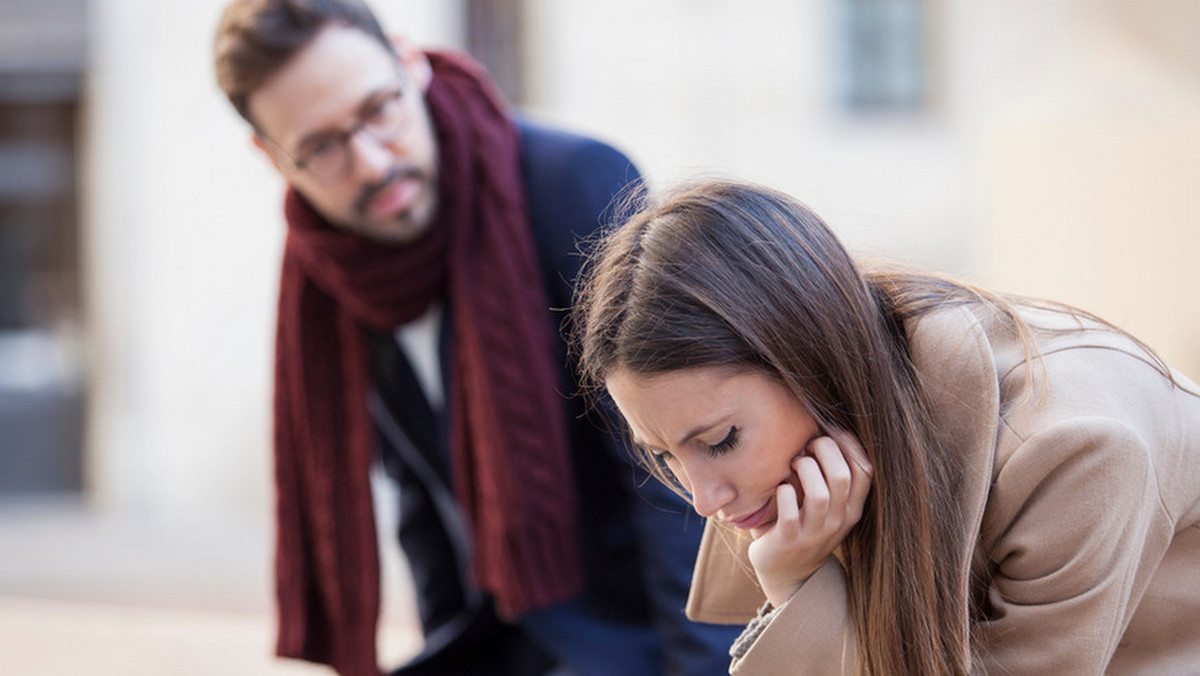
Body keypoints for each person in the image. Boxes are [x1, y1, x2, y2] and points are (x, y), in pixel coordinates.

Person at [212, 2, 740, 675]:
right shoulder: (339, 270)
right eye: (321, 147)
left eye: (378, 110)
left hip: (635, 636)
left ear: (409, 63)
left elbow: (674, 474)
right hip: (510, 638)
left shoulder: (574, 185)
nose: (371, 163)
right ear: (272, 156)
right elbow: (420, 495)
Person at [572, 178, 1200, 674]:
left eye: (718, 443)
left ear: (812, 359)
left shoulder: (1076, 449)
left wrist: (797, 590)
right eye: (665, 456)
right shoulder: (813, 435)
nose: (705, 500)